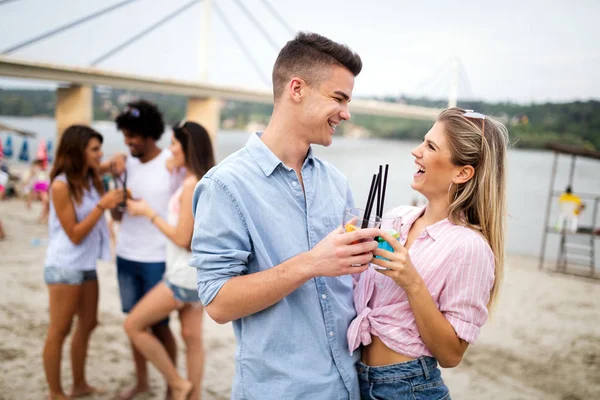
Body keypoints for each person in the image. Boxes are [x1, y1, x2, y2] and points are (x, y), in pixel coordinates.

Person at [190, 32, 380, 400]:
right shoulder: (225, 186)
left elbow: (350, 289)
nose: (347, 112)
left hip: (350, 387)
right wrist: (312, 263)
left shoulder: (336, 182)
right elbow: (217, 303)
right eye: (339, 98)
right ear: (297, 89)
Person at [348, 108, 509, 399]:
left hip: (410, 387)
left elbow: (451, 355)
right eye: (423, 142)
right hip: (356, 379)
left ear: (462, 172)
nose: (416, 151)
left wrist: (412, 282)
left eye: (430, 146)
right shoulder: (397, 218)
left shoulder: (470, 248)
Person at [124, 121, 215, 400]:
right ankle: (194, 395)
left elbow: (183, 239)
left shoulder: (190, 186)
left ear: (186, 148)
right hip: (197, 278)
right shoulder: (201, 181)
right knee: (192, 338)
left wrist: (148, 213)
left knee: (133, 325)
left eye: (174, 144)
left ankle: (177, 383)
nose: (169, 150)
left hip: (181, 277)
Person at [42, 125, 124, 400]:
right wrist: (102, 205)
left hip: (86, 265)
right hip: (65, 265)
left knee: (89, 323)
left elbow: (111, 164)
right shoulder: (60, 185)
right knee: (60, 330)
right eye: (94, 150)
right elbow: (75, 235)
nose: (99, 154)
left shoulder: (87, 177)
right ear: (78, 151)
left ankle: (79, 384)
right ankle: (55, 392)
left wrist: (117, 161)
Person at [111, 100, 180, 400]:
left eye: (134, 135)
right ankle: (141, 382)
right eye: (125, 135)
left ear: (151, 134)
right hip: (126, 254)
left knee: (161, 328)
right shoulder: (124, 165)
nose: (128, 141)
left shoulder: (170, 164)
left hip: (158, 258)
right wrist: (116, 205)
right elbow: (117, 216)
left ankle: (170, 385)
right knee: (133, 324)